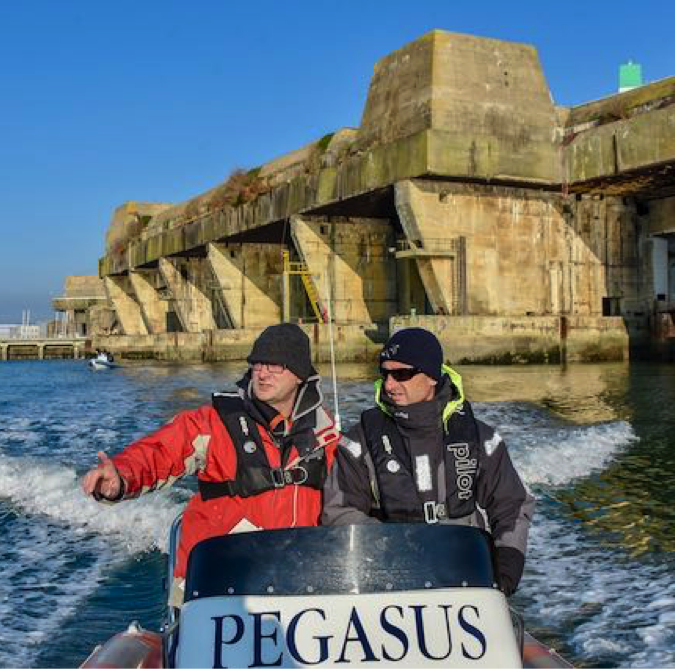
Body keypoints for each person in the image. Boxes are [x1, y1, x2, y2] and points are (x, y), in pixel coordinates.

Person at [82, 323, 339, 605]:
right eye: (257, 364)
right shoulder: (215, 422)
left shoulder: (326, 436)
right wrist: (121, 475)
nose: (263, 373)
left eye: (275, 365)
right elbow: (161, 450)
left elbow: (354, 502)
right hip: (216, 585)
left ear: (300, 374)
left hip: (297, 586)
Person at [322, 327, 535, 597]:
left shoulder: (481, 439)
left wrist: (507, 563)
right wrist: (399, 549)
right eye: (385, 373)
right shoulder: (357, 443)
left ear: (431, 377)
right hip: (389, 580)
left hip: (465, 576)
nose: (389, 384)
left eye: (402, 374)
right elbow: (340, 512)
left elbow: (511, 503)